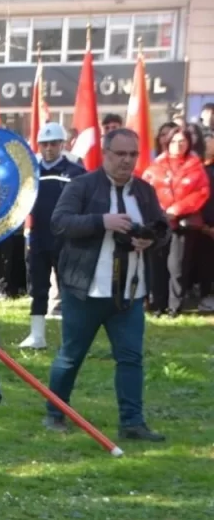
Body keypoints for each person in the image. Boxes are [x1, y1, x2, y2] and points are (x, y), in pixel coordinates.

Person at [46, 128, 168, 442]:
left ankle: (132, 423)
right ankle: (55, 413)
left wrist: (148, 239)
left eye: (132, 154)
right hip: (85, 291)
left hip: (129, 294)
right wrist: (102, 221)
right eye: (120, 154)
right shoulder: (82, 186)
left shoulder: (143, 190)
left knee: (131, 358)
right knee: (71, 355)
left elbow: (162, 229)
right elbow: (60, 222)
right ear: (106, 154)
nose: (127, 161)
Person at [20, 122, 86, 349]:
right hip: (38, 237)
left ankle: (72, 338)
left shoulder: (76, 172)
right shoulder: (31, 171)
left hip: (66, 239)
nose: (49, 148)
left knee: (68, 288)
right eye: (44, 144)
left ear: (62, 144)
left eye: (54, 143)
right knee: (37, 287)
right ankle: (37, 336)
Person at [142, 126, 210, 317]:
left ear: (189, 143)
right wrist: (161, 210)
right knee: (158, 265)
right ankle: (158, 305)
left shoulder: (196, 166)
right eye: (174, 141)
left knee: (177, 266)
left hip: (182, 224)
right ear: (167, 143)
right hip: (159, 222)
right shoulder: (156, 165)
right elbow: (146, 190)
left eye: (182, 142)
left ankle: (175, 306)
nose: (178, 145)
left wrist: (177, 209)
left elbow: (201, 193)